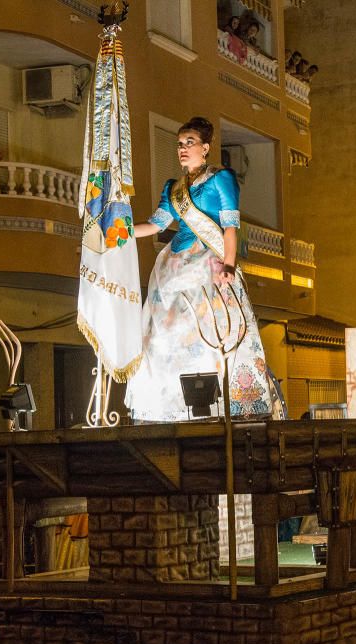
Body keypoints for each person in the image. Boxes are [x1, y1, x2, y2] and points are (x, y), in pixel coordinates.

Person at [126, 116, 273, 422]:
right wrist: (121, 231)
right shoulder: (173, 188)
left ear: (205, 148)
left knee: (210, 328)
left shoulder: (221, 180)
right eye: (179, 144)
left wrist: (229, 265)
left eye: (189, 143)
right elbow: (156, 225)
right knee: (165, 331)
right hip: (173, 264)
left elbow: (231, 227)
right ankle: (169, 401)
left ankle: (221, 402)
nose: (182, 149)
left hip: (208, 261)